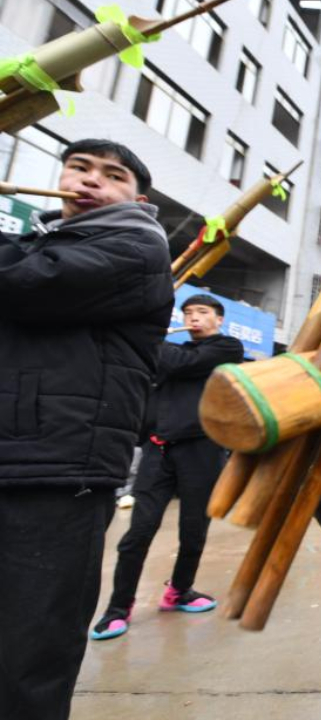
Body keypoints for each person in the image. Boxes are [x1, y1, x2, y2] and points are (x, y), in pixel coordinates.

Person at [0, 139, 173, 718]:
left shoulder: (138, 247)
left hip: (58, 474)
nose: (89, 180)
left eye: (112, 175)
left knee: (28, 656)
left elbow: (27, 283)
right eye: (78, 168)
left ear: (137, 198)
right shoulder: (36, 243)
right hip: (15, 459)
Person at [90, 294, 244, 640]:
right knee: (137, 534)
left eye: (202, 313)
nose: (194, 318)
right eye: (188, 313)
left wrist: (149, 333)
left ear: (219, 320)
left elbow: (175, 363)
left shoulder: (227, 348)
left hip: (202, 451)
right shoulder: (169, 351)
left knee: (193, 532)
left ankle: (179, 590)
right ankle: (118, 608)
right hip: (158, 450)